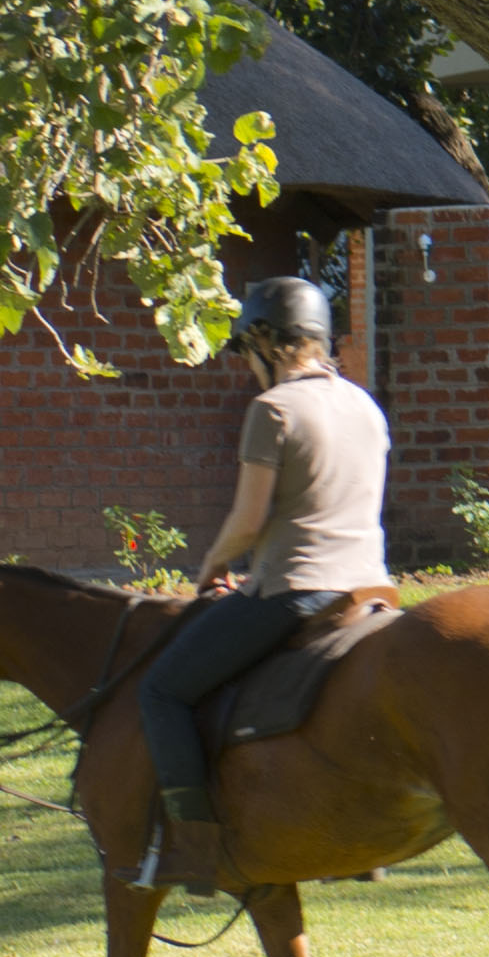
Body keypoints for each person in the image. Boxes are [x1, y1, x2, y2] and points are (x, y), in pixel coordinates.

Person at [131, 269, 394, 892]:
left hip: (297, 590)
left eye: (249, 351)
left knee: (162, 692)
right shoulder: (365, 404)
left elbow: (248, 520)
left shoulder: (272, 409)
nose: (248, 365)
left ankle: (194, 848)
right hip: (372, 588)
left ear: (269, 344)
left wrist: (213, 565)